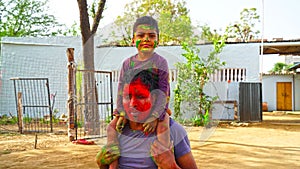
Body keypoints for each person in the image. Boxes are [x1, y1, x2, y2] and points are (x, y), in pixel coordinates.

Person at [96, 69, 198, 169]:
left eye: (140, 96)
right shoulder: (118, 130)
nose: (132, 104)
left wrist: (171, 166)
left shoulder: (173, 131)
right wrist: (102, 163)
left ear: (154, 98)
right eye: (127, 97)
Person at [106, 16, 171, 168]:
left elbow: (163, 91)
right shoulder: (127, 63)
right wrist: (121, 113)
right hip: (131, 108)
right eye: (141, 35)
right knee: (111, 128)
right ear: (132, 39)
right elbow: (122, 89)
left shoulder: (161, 62)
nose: (146, 39)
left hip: (157, 108)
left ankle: (162, 160)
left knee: (163, 127)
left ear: (158, 40)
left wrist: (155, 116)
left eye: (152, 36)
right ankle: (113, 165)